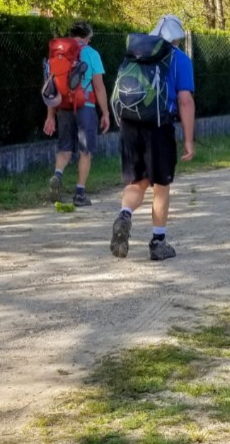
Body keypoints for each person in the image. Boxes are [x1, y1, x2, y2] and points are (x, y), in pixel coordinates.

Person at [110, 14, 196, 261]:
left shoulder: (134, 56)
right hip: (158, 125)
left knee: (137, 181)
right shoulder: (179, 58)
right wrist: (189, 140)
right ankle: (158, 242)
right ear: (176, 38)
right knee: (161, 185)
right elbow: (185, 101)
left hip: (129, 124)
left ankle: (124, 215)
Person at [43, 21, 110, 206]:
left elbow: (52, 88)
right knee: (85, 151)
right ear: (87, 38)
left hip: (63, 106)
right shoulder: (91, 53)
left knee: (65, 149)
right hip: (85, 106)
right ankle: (79, 193)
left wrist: (50, 116)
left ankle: (57, 175)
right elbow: (98, 86)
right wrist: (105, 113)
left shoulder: (59, 53)